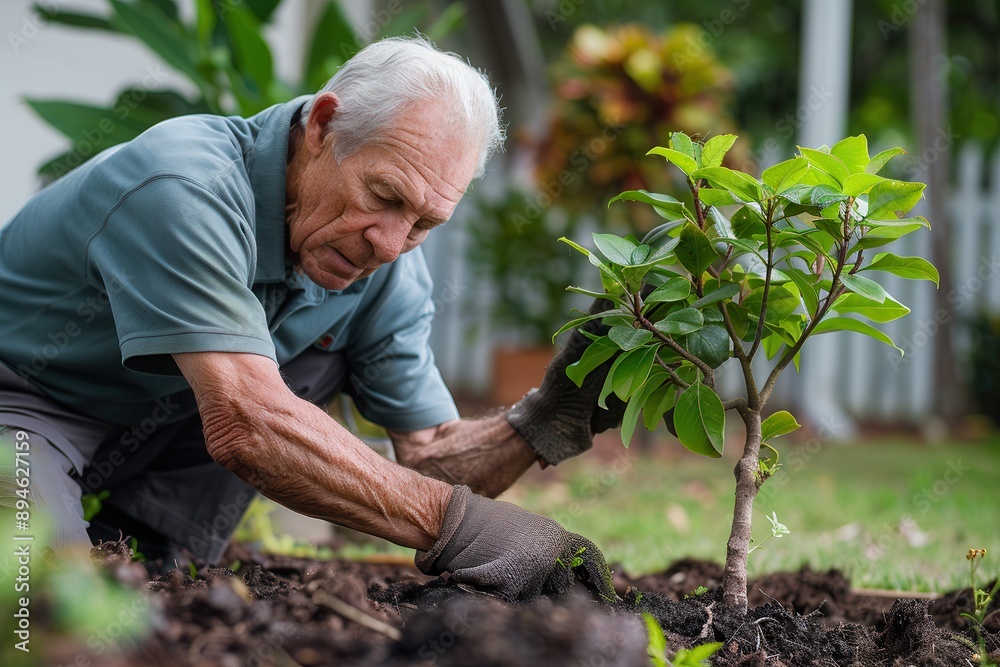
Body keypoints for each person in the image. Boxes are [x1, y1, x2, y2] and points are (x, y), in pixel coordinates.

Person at [0, 36, 621, 603]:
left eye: (426, 223)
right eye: (384, 196)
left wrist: (544, 418)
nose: (391, 242)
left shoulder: (385, 266)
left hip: (150, 424)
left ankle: (153, 555)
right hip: (24, 406)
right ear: (323, 125)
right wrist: (465, 528)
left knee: (159, 603)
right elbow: (247, 422)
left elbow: (429, 457)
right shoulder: (184, 186)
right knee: (44, 613)